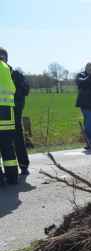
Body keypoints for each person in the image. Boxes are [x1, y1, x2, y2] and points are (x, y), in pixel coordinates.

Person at [0, 48, 30, 175]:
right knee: (12, 140)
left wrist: (17, 107)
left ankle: (22, 165)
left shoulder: (15, 73)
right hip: (9, 112)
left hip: (12, 111)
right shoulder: (13, 72)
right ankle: (18, 168)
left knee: (15, 139)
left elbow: (25, 90)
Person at [0, 47, 18, 186]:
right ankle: (12, 177)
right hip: (7, 113)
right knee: (7, 146)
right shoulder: (6, 68)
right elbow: (12, 89)